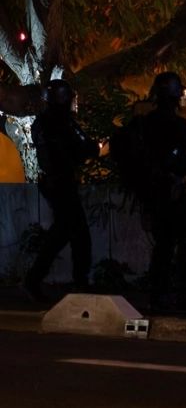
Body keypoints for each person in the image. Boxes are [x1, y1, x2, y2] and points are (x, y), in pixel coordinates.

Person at [141, 72, 186, 311]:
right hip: (172, 189)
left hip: (154, 189)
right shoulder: (175, 123)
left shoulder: (147, 122)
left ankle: (159, 293)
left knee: (164, 242)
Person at [23, 79, 100, 302]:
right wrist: (92, 148)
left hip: (53, 182)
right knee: (76, 233)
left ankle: (37, 279)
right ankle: (77, 281)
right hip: (61, 182)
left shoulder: (43, 122)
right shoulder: (61, 122)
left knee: (64, 232)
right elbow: (84, 147)